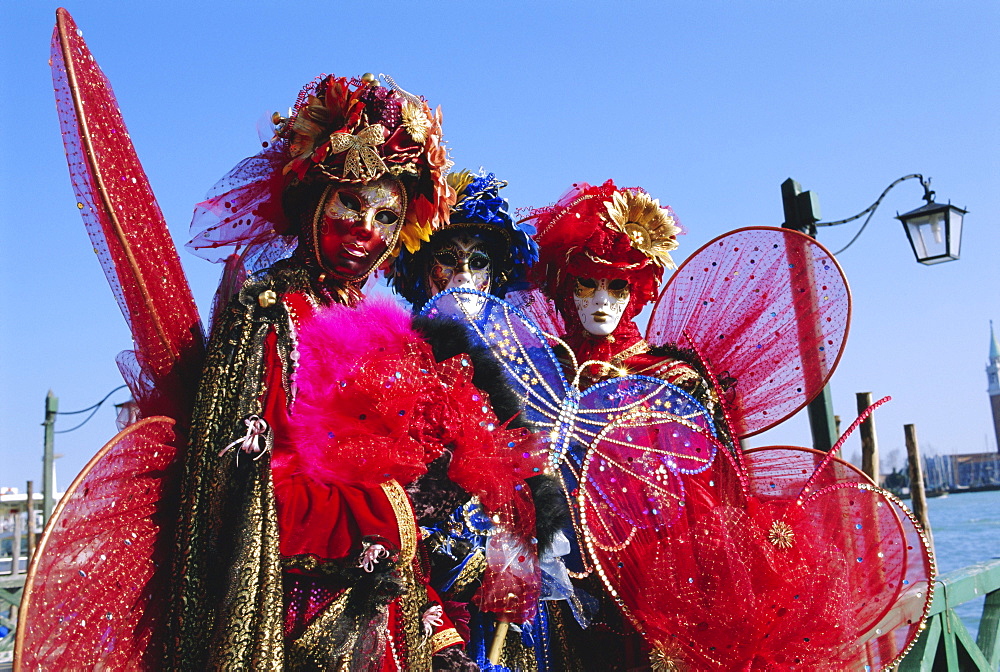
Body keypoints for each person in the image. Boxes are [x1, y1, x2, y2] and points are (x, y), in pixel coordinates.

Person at [171, 73, 541, 671]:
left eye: (387, 214)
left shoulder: (389, 331)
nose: (367, 228)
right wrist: (396, 506)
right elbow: (249, 494)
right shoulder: (269, 314)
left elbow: (411, 517)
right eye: (350, 200)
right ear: (314, 196)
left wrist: (444, 627)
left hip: (387, 613)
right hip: (299, 618)